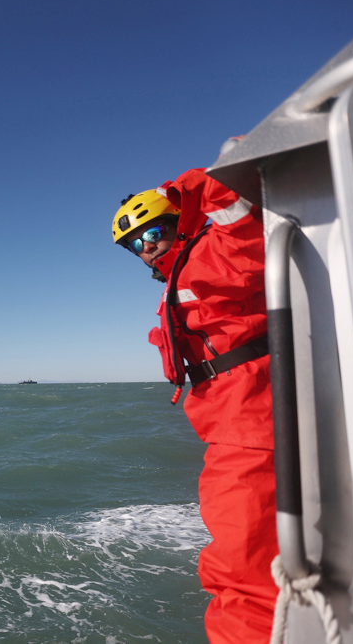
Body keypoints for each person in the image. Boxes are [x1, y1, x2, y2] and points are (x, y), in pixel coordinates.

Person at [111, 168, 278, 643]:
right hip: (230, 419)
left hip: (251, 420)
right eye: (134, 244)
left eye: (153, 232)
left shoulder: (215, 250)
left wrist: (182, 191)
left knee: (240, 562)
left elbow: (243, 215)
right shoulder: (185, 270)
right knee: (247, 547)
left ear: (176, 221)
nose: (146, 248)